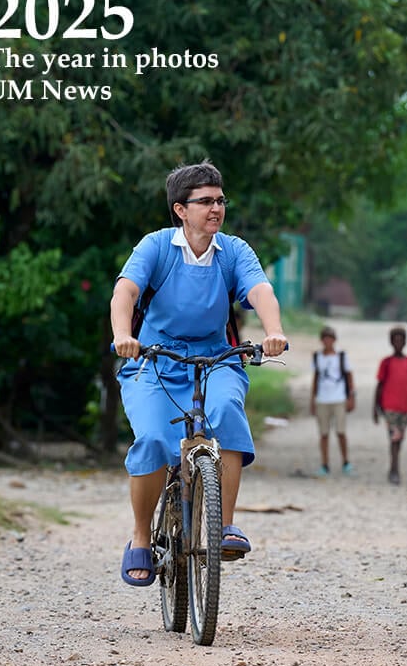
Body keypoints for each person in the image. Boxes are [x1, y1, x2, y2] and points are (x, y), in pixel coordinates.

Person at [110, 160, 288, 587]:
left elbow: (259, 289)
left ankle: (224, 526)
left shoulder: (234, 251)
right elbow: (126, 291)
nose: (215, 209)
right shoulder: (156, 247)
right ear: (180, 209)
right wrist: (122, 335)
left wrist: (274, 331)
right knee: (153, 438)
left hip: (215, 359)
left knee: (227, 412)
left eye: (220, 200)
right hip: (153, 359)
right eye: (205, 201)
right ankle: (139, 537)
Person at [373, 325, 407, 485]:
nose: (398, 343)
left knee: (400, 439)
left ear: (405, 342)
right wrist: (375, 408)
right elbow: (380, 385)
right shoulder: (386, 362)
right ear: (391, 342)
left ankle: (394, 465)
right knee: (394, 438)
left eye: (401, 340)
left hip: (406, 406)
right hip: (390, 406)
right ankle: (394, 469)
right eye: (395, 340)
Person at [310, 325, 356, 476]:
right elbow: (315, 378)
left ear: (334, 340)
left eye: (330, 339)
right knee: (324, 433)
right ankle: (325, 463)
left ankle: (346, 461)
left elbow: (349, 377)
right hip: (323, 399)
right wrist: (313, 399)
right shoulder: (317, 357)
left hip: (339, 398)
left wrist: (351, 396)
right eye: (325, 339)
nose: (327, 342)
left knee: (341, 431)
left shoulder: (341, 357)